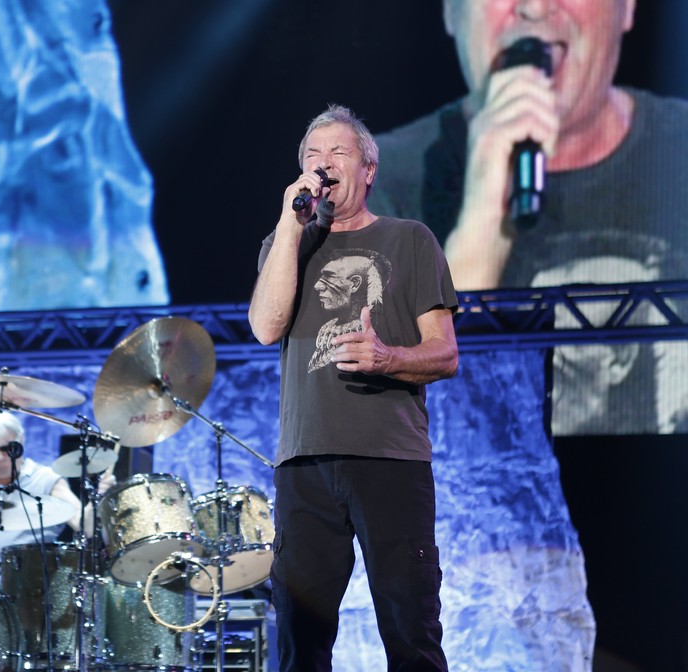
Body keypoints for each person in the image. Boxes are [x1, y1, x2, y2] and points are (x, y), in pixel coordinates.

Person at [369, 0, 688, 434]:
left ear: (628, 7)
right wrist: (483, 223)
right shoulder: (370, 190)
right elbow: (394, 440)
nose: (535, 8)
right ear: (450, 11)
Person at [249, 104, 459, 671]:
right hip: (304, 464)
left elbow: (445, 353)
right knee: (301, 640)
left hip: (389, 459)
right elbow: (265, 328)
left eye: (338, 152)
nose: (324, 164)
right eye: (312, 156)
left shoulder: (410, 240)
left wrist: (387, 358)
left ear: (368, 169)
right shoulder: (286, 244)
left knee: (411, 629)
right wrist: (290, 225)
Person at [0, 410, 114, 584]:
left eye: (7, 449)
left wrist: (99, 496)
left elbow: (84, 527)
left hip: (26, 584)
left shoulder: (46, 479)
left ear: (21, 440)